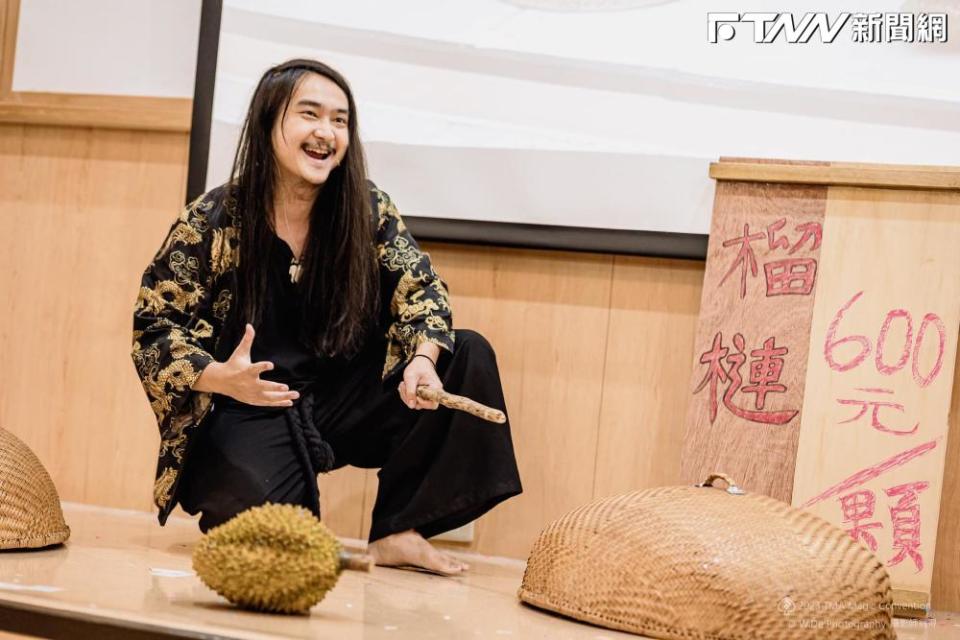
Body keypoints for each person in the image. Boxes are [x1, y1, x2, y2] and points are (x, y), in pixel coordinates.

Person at [131, 59, 522, 576]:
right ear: (270, 121)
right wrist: (221, 378)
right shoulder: (214, 218)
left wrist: (423, 359)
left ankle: (399, 531)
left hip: (339, 399)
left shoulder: (366, 208)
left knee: (465, 352)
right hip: (249, 402)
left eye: (340, 120)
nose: (326, 132)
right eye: (310, 114)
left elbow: (421, 288)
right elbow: (155, 327)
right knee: (281, 552)